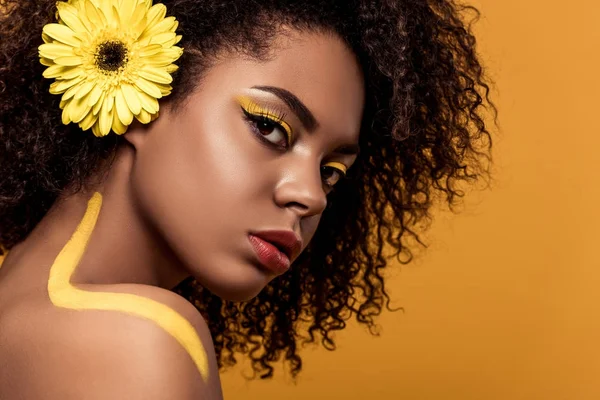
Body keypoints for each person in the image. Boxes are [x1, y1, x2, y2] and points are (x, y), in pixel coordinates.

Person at [0, 0, 495, 398]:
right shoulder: (140, 340)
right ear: (134, 89)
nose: (311, 197)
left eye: (331, 172)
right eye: (269, 127)